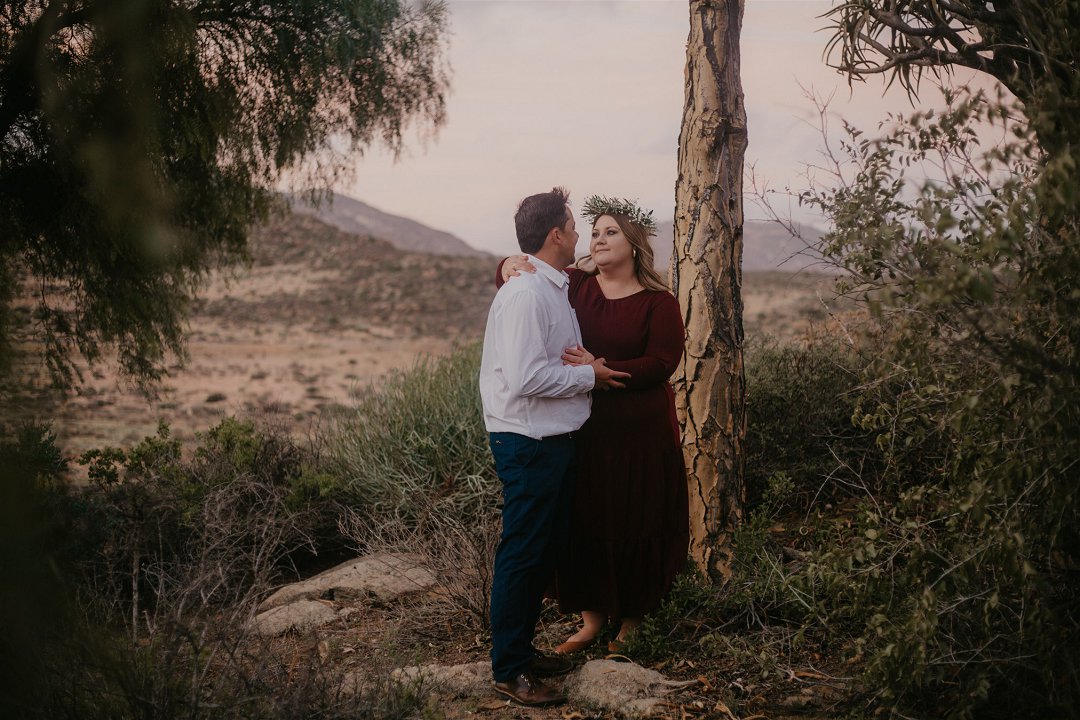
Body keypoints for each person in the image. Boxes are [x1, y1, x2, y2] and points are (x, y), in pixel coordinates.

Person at [497, 195, 689, 655]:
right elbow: (529, 277)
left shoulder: (658, 302)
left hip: (641, 435)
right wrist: (505, 263)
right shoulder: (576, 285)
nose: (599, 239)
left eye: (611, 232)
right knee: (588, 521)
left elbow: (663, 362)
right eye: (595, 231)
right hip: (585, 429)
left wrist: (601, 370)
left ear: (634, 244)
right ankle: (591, 619)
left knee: (637, 520)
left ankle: (632, 621)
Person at [479, 187, 631, 707]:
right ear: (556, 235)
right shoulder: (525, 295)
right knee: (523, 553)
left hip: (551, 438)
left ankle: (518, 651)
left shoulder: (551, 285)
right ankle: (509, 670)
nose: (579, 232)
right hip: (528, 440)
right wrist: (588, 375)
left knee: (540, 549)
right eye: (573, 223)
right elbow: (526, 378)